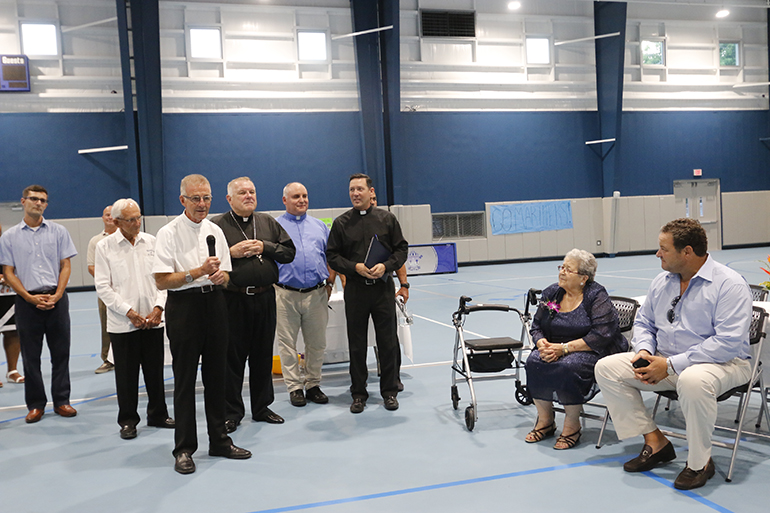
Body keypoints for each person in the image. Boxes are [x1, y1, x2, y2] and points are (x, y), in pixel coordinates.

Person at [595, 218, 753, 490]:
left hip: (724, 364)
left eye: (663, 248)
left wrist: (669, 365)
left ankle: (699, 463)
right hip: (665, 362)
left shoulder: (730, 285)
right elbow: (644, 322)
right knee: (607, 368)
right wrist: (644, 350)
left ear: (687, 251)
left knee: (693, 380)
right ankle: (656, 442)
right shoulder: (662, 281)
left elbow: (727, 343)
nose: (658, 254)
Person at [153, 174, 251, 474]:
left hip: (216, 305)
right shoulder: (168, 233)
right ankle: (184, 448)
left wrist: (223, 277)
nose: (202, 204)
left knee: (217, 377)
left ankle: (219, 440)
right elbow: (161, 279)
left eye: (206, 198)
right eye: (195, 198)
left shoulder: (216, 231)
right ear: (182, 200)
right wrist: (196, 272)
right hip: (184, 307)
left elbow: (227, 272)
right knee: (184, 381)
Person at [212, 177, 295, 431]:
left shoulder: (268, 222)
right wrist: (231, 252)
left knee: (262, 356)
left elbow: (288, 253)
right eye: (242, 193)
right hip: (232, 299)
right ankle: (232, 412)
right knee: (232, 358)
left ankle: (261, 407)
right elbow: (206, 259)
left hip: (265, 297)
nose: (248, 196)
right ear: (229, 199)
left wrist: (264, 246)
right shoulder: (216, 225)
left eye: (252, 192)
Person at [524, 249, 626, 449]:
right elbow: (537, 326)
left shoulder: (596, 295)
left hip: (592, 350)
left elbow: (601, 335)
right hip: (556, 347)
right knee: (534, 361)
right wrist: (541, 343)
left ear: (583, 278)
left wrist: (565, 348)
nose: (562, 272)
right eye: (561, 267)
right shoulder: (552, 293)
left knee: (569, 366)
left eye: (568, 269)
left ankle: (572, 425)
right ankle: (545, 421)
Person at [327, 173, 408, 413]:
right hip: (356, 291)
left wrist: (387, 265)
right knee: (357, 344)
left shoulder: (388, 219)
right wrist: (355, 268)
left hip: (383, 290)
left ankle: (389, 392)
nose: (355, 193)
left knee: (388, 343)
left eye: (360, 189)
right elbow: (332, 256)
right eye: (352, 189)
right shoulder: (341, 223)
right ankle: (358, 394)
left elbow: (401, 250)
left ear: (371, 192)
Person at [94, 198, 174, 440]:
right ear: (117, 222)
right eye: (131, 219)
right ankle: (128, 420)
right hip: (123, 324)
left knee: (154, 371)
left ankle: (158, 414)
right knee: (126, 376)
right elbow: (103, 287)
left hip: (153, 320)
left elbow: (163, 279)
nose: (137, 223)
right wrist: (129, 311)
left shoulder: (151, 242)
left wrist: (159, 307)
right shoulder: (105, 247)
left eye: (139, 217)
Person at [0, 185, 78, 423]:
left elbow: (66, 265)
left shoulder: (59, 231)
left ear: (46, 204)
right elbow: (9, 272)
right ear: (23, 202)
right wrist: (28, 296)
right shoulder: (9, 237)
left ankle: (62, 400)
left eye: (43, 200)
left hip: (57, 299)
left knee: (61, 353)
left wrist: (58, 294)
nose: (38, 203)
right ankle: (35, 404)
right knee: (31, 356)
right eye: (33, 199)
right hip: (27, 302)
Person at [274, 182, 336, 407]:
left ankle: (313, 384)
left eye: (305, 196)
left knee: (317, 343)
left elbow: (331, 256)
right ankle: (294, 387)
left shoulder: (320, 226)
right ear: (285, 200)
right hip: (285, 294)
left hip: (316, 293)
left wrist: (330, 284)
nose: (302, 200)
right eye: (296, 196)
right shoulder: (275, 227)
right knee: (287, 344)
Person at [87, 205, 118, 374]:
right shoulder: (96, 241)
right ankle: (107, 359)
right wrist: (107, 280)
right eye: (107, 214)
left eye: (113, 215)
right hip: (106, 290)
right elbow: (91, 266)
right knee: (107, 324)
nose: (110, 217)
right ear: (102, 217)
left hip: (127, 289)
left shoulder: (128, 237)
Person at [1, 225, 24, 387]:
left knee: (13, 331)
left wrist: (8, 275)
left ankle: (12, 371)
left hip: (8, 294)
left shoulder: (7, 244)